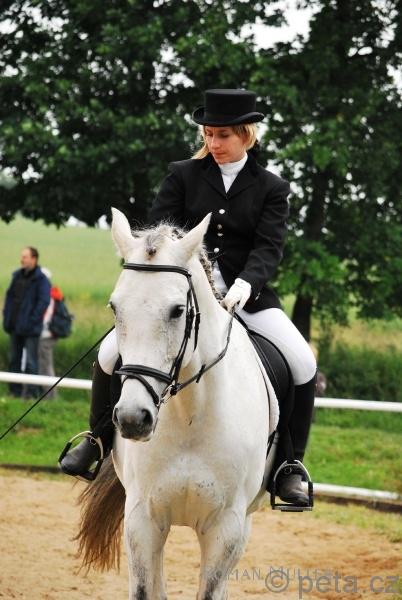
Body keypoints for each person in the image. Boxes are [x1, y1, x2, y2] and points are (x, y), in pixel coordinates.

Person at [60, 89, 317, 507]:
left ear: (246, 135)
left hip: (246, 298)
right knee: (109, 353)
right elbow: (158, 235)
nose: (213, 143)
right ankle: (97, 440)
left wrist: (246, 284)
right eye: (208, 134)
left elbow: (268, 247)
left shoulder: (272, 187)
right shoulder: (183, 175)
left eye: (223, 135)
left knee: (303, 362)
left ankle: (289, 465)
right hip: (178, 298)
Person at [3, 246, 51, 398]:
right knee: (14, 361)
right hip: (14, 327)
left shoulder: (42, 280)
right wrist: (7, 317)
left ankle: (31, 394)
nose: (22, 259)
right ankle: (14, 392)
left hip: (31, 329)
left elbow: (43, 302)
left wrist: (31, 321)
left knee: (31, 362)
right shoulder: (17, 276)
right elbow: (9, 297)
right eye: (22, 256)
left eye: (25, 257)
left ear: (34, 259)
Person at [38, 268, 63, 399]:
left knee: (45, 366)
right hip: (48, 335)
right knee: (45, 365)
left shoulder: (47, 295)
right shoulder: (52, 293)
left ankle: (51, 397)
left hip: (45, 336)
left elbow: (44, 318)